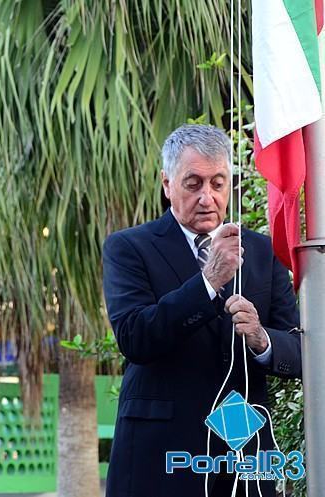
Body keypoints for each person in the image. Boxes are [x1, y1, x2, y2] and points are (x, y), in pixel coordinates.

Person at [102, 124, 301, 497]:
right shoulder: (128, 248)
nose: (207, 198)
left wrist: (262, 339)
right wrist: (208, 282)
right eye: (193, 184)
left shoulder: (261, 251)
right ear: (167, 184)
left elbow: (300, 353)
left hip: (242, 458)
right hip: (159, 458)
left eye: (218, 183)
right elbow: (135, 337)